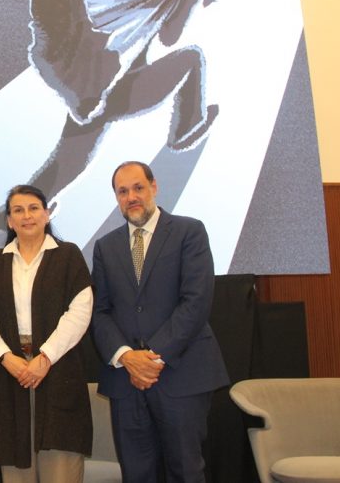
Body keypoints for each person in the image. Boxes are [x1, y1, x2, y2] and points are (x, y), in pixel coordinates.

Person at [91, 161, 229, 482]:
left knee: (185, 472)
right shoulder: (105, 247)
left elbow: (196, 301)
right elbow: (100, 312)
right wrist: (127, 357)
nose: (131, 197)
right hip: (126, 380)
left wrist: (152, 359)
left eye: (138, 188)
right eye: (122, 191)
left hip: (181, 376)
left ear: (154, 187)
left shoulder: (189, 231)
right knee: (136, 473)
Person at [0, 185, 93, 483]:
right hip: (10, 374)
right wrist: (4, 357)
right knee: (17, 469)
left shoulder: (68, 255)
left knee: (60, 468)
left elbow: (80, 311)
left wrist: (45, 357)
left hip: (58, 370)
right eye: (18, 210)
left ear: (47, 214)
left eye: (34, 208)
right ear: (9, 221)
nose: (27, 216)